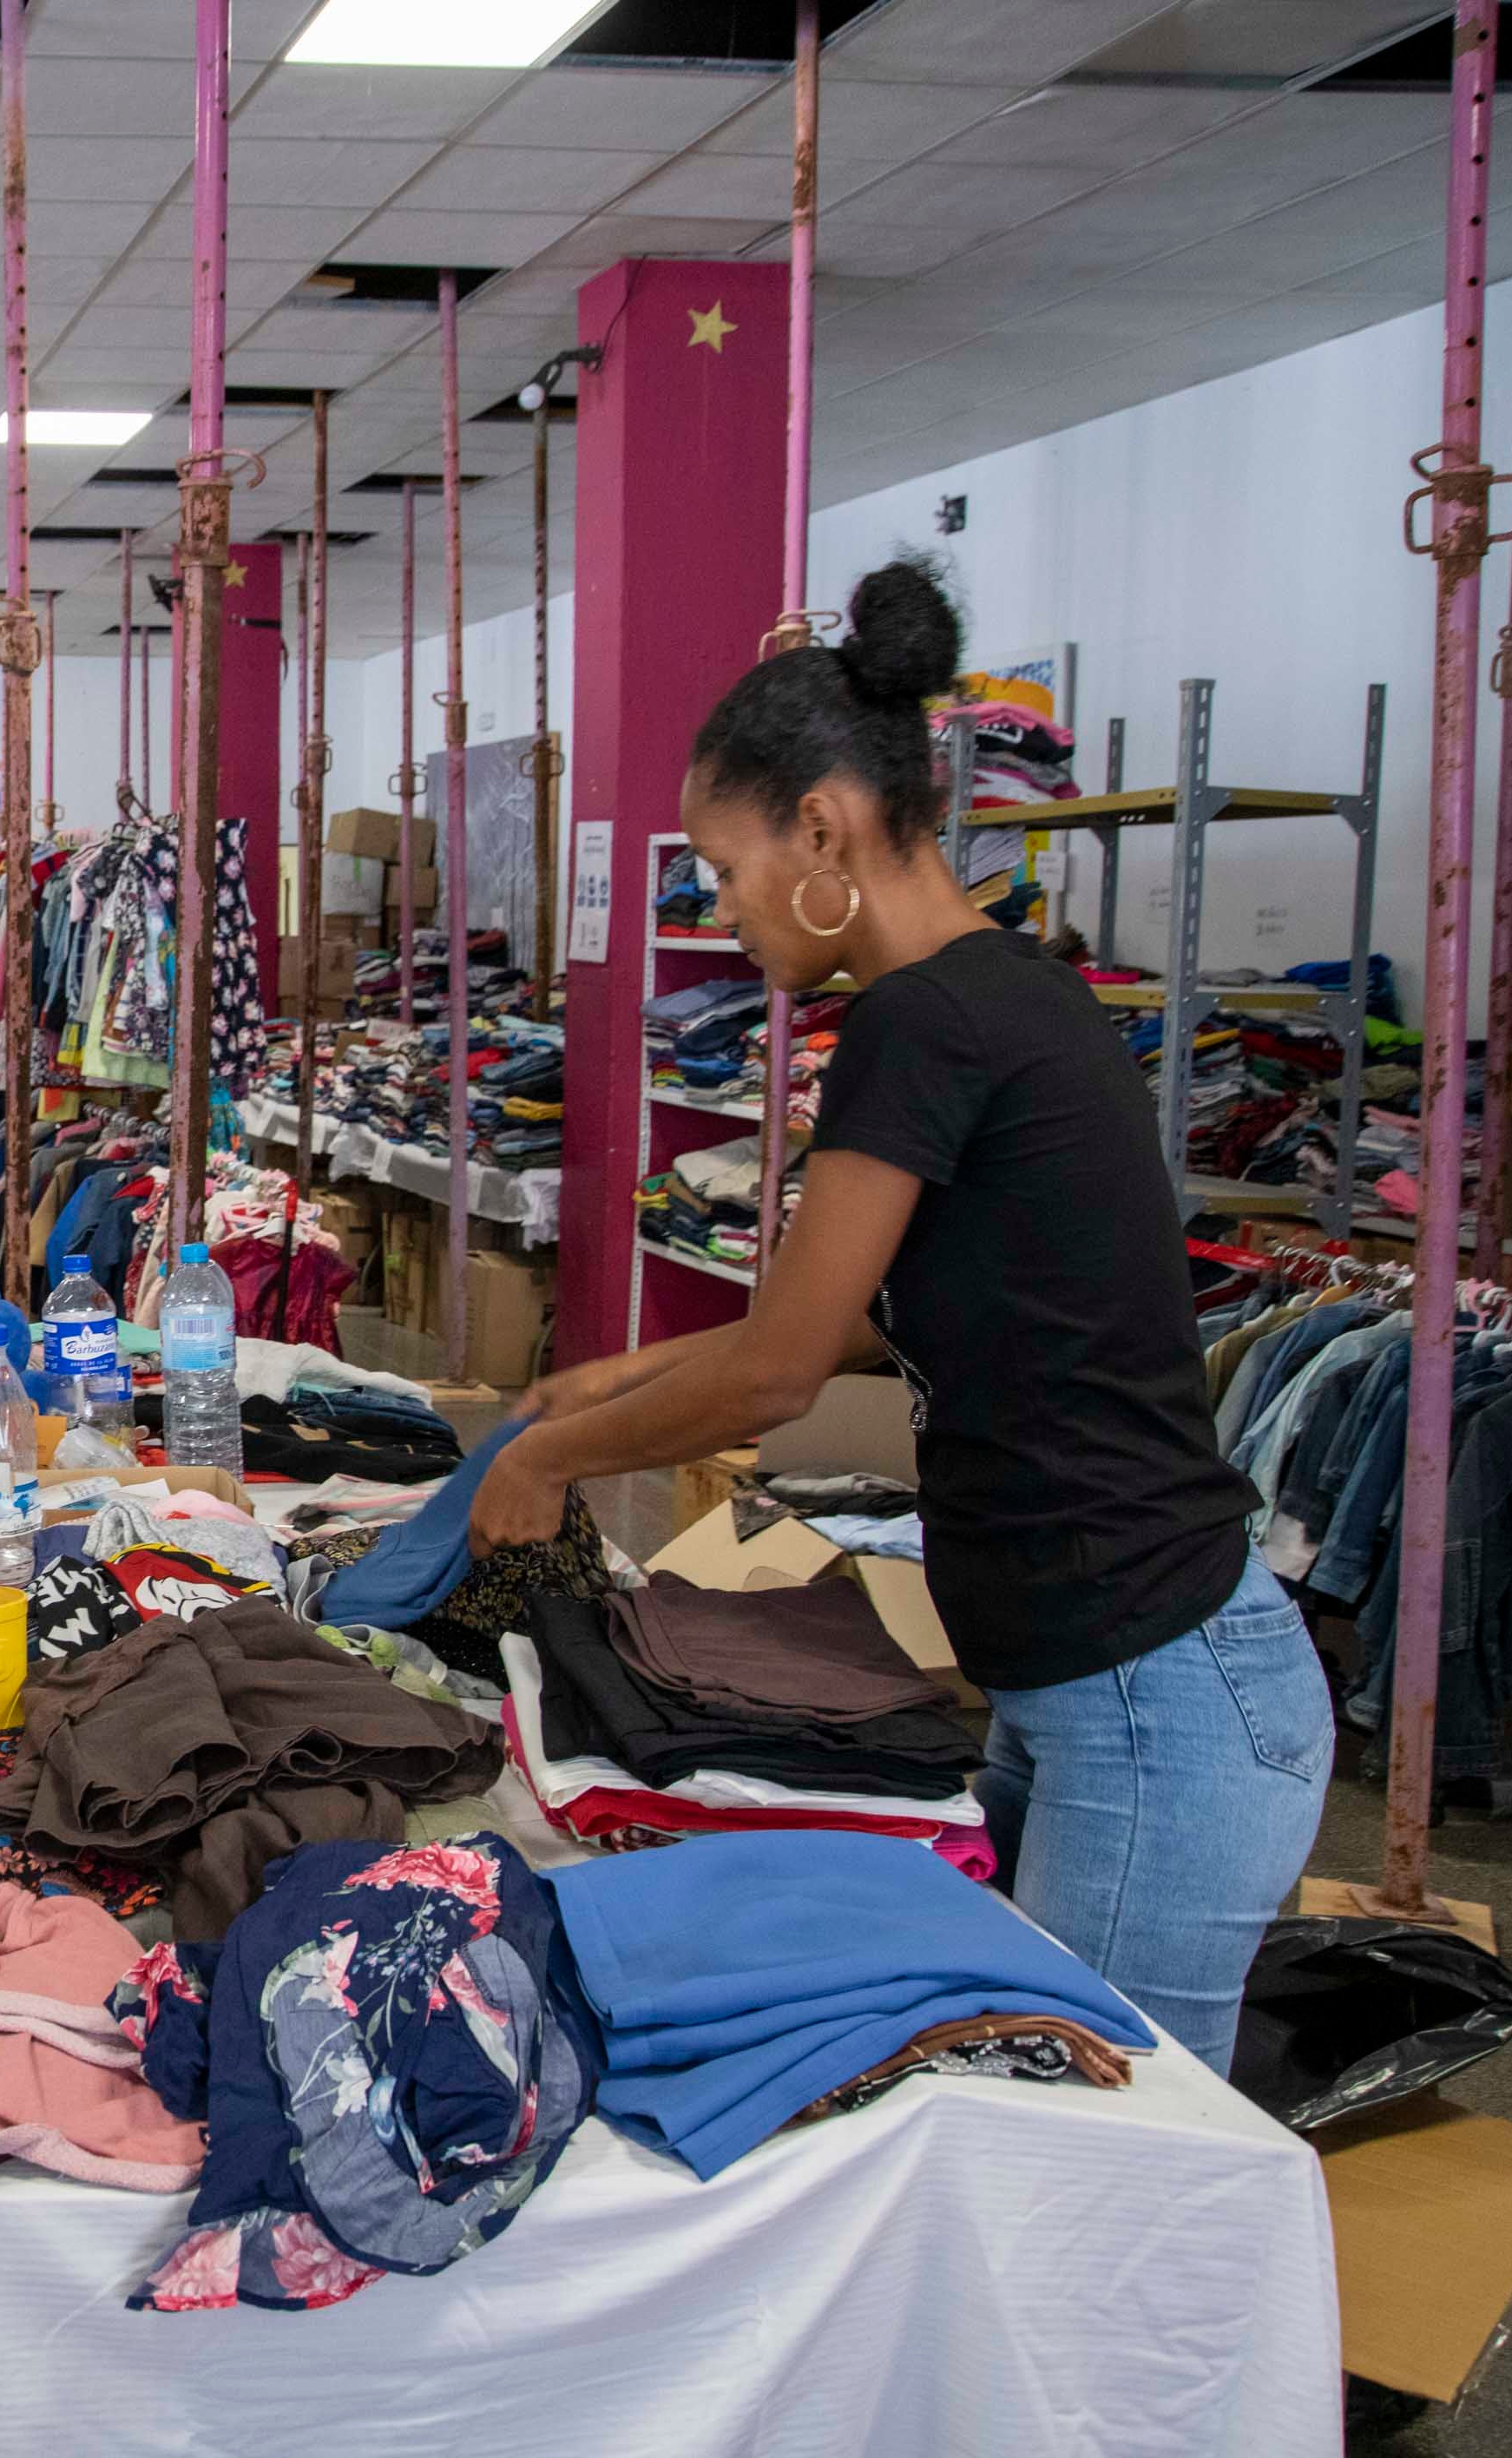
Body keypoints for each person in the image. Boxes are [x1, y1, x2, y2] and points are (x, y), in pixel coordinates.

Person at [468, 556, 1328, 2075]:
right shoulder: (1007, 991)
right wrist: (627, 1371)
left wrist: (550, 1459)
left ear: (821, 829)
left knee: (1099, 2146)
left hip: (1147, 1688)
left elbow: (780, 1373)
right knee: (1016, 2091)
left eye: (721, 870)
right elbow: (876, 1317)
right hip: (1111, 1678)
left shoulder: (914, 1026)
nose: (719, 911)